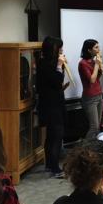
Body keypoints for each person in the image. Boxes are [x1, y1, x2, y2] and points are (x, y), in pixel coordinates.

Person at [37, 36, 68, 178]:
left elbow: (56, 84)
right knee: (56, 134)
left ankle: (50, 165)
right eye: (59, 48)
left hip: (53, 102)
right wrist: (59, 66)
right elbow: (56, 80)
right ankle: (54, 167)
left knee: (52, 135)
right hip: (51, 105)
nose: (61, 51)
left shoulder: (46, 62)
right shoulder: (45, 64)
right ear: (53, 49)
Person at [78, 39, 103, 141]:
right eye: (96, 47)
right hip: (90, 98)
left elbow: (99, 76)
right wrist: (97, 65)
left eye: (99, 47)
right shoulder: (83, 63)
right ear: (89, 50)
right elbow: (92, 80)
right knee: (94, 127)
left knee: (98, 128)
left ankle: (93, 150)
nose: (99, 50)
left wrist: (100, 65)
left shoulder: (94, 61)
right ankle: (84, 149)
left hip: (99, 95)